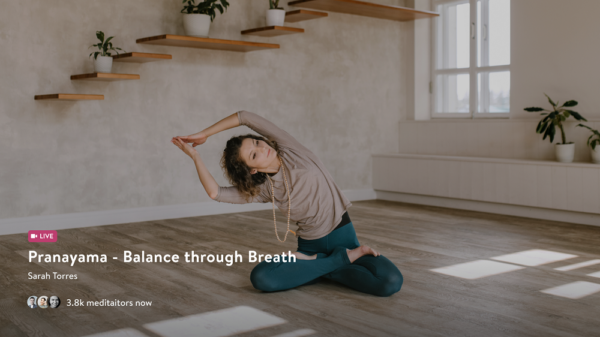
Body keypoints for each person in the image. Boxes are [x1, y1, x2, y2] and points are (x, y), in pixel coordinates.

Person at [172, 111, 403, 296]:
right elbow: (215, 193)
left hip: (343, 236)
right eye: (254, 155)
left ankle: (317, 269)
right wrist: (195, 156)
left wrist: (204, 134)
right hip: (309, 248)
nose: (262, 148)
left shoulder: (292, 151)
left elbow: (244, 117)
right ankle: (339, 261)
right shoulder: (262, 190)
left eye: (256, 143)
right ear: (252, 169)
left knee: (391, 282)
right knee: (261, 278)